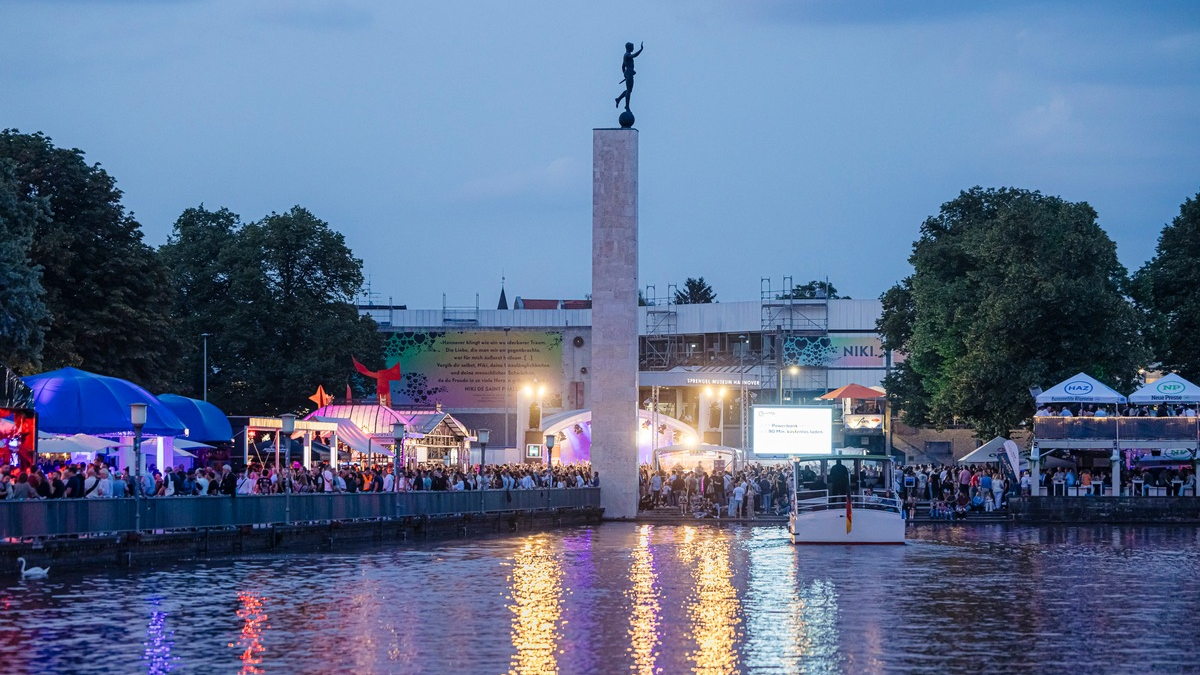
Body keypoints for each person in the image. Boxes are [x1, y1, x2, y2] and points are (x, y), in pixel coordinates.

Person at [614, 41, 644, 111]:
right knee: (629, 91)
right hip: (629, 73)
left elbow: (622, 67)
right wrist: (641, 49)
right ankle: (626, 106)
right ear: (629, 48)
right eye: (632, 47)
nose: (633, 48)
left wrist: (625, 74)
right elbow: (634, 55)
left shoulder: (625, 55)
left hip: (628, 73)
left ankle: (618, 99)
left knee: (628, 90)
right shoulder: (627, 55)